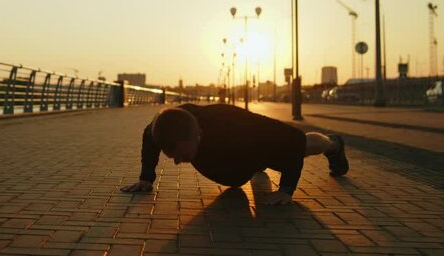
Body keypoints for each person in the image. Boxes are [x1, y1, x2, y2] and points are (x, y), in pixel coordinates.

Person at [120, 103, 349, 205]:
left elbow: (292, 141)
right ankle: (255, 163)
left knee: (305, 145)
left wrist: (287, 189)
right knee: (244, 168)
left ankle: (334, 145)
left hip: (263, 145)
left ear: (196, 134)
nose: (178, 162)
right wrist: (146, 177)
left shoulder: (230, 122)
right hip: (240, 159)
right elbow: (148, 136)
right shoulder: (166, 126)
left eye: (180, 155)